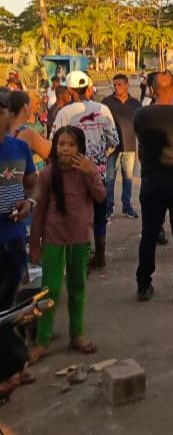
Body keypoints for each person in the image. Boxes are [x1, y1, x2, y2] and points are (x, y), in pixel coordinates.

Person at [28, 126, 106, 364]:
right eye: (61, 143)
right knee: (49, 289)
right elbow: (39, 211)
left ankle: (77, 334)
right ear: (55, 146)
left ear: (80, 148)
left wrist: (91, 172)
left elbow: (101, 197)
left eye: (71, 144)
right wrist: (35, 244)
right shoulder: (48, 174)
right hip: (53, 238)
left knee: (77, 287)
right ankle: (42, 341)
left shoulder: (85, 171)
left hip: (80, 238)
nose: (65, 149)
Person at [133, 71, 173, 303]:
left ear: (151, 89)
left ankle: (144, 284)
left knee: (149, 234)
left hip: (151, 182)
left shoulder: (141, 115)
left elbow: (140, 140)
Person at [51, 71, 118, 270]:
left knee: (78, 217)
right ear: (87, 87)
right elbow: (114, 141)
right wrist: (100, 157)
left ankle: (81, 260)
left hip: (73, 174)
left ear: (70, 90)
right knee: (99, 215)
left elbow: (55, 141)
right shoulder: (103, 109)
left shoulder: (65, 113)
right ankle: (100, 255)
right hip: (99, 173)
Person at [0, 88, 37, 403]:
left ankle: (15, 364)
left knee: (11, 305)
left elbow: (31, 181)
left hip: (12, 238)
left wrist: (30, 202)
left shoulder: (18, 147)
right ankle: (11, 366)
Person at [101, 74, 140, 220]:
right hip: (112, 148)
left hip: (129, 147)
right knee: (110, 178)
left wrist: (140, 148)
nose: (117, 87)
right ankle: (108, 208)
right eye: (115, 85)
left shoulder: (135, 103)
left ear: (127, 84)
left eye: (119, 85)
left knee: (128, 178)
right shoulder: (106, 103)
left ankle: (127, 207)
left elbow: (139, 126)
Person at [9, 91, 50, 172]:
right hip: (27, 178)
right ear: (25, 107)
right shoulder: (24, 132)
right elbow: (46, 152)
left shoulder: (6, 127)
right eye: (31, 105)